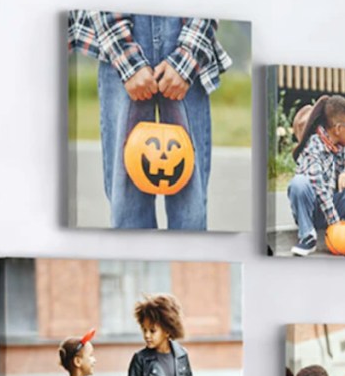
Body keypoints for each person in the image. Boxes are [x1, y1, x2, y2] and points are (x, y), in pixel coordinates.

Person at [68, 11, 231, 230]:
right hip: (117, 28)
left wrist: (188, 58)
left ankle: (189, 262)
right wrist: (126, 59)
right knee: (127, 206)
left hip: (186, 21)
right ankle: (134, 263)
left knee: (190, 208)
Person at [287, 95, 345, 256]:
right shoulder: (313, 148)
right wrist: (336, 225)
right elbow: (319, 190)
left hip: (332, 207)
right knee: (298, 183)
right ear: (338, 128)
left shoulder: (339, 147)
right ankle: (307, 236)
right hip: (314, 210)